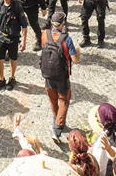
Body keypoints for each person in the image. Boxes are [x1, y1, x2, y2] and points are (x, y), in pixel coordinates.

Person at [39, 11, 78, 141]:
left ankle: (55, 119)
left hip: (47, 74)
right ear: (63, 23)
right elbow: (75, 59)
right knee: (64, 100)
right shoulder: (67, 39)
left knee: (52, 99)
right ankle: (57, 128)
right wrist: (77, 52)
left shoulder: (44, 34)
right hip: (62, 76)